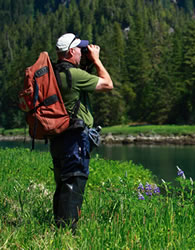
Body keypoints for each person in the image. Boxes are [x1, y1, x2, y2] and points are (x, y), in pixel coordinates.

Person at [50, 33, 113, 231]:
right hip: (75, 138)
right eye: (79, 49)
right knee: (74, 182)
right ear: (70, 51)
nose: (82, 52)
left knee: (63, 182)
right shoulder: (75, 75)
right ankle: (68, 232)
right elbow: (107, 84)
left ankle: (60, 228)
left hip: (58, 137)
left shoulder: (54, 73)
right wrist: (96, 60)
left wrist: (86, 63)